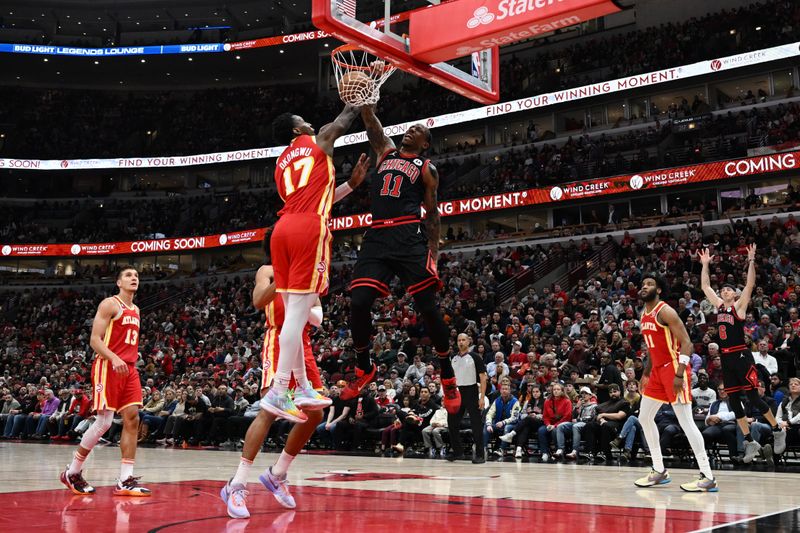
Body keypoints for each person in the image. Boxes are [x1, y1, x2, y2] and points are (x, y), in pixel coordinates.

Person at [342, 103, 461, 416]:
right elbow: (371, 123)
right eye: (411, 127)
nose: (411, 129)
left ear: (425, 143)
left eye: (418, 131)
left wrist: (434, 252)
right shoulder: (386, 151)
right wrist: (366, 99)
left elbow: (432, 212)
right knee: (358, 300)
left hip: (408, 236)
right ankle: (364, 366)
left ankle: (447, 372)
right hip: (378, 235)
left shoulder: (426, 167)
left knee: (427, 306)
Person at [261, 105, 366, 422]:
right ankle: (280, 391)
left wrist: (350, 186)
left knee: (297, 310)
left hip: (283, 230)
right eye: (302, 119)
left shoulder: (281, 164)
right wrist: (357, 99)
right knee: (296, 313)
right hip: (308, 229)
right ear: (296, 130)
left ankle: (303, 386)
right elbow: (341, 123)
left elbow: (313, 196)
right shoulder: (318, 140)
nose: (309, 120)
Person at [221, 254, 337, 518]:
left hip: (303, 344)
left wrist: (304, 300)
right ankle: (237, 484)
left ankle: (277, 473)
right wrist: (285, 278)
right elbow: (259, 300)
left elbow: (318, 316)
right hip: (278, 340)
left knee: (315, 413)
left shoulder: (309, 269)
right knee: (269, 410)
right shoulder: (268, 270)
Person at [60, 266, 150, 496]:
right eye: (129, 275)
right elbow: (95, 340)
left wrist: (131, 355)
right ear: (118, 282)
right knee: (104, 422)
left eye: (136, 276)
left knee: (132, 419)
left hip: (128, 368)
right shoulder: (110, 304)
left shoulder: (137, 309)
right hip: (107, 365)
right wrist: (114, 357)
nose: (134, 278)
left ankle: (125, 479)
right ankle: (72, 471)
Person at [699, 246, 787, 460]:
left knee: (753, 397)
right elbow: (705, 286)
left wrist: (750, 261)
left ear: (735, 294)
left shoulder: (739, 307)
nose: (724, 292)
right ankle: (749, 442)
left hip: (741, 355)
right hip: (726, 357)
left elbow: (749, 285)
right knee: (733, 400)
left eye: (728, 290)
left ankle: (777, 430)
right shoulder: (719, 306)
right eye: (723, 290)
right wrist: (704, 265)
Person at [634, 273, 718, 492]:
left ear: (659, 290)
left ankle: (707, 476)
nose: (645, 287)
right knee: (644, 417)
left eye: (650, 284)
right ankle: (659, 470)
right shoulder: (644, 314)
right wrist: (646, 373)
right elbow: (652, 349)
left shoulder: (666, 311)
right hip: (657, 372)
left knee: (686, 422)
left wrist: (680, 374)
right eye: (643, 284)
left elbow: (687, 343)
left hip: (673, 369)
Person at [447, 333, 487, 463]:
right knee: (452, 423)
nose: (461, 342)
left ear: (469, 342)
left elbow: (483, 377)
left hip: (471, 390)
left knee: (476, 423)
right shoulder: (453, 358)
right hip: (456, 393)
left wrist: (481, 397)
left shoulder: (475, 357)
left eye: (463, 340)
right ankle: (458, 452)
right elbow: (449, 378)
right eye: (459, 340)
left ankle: (480, 455)